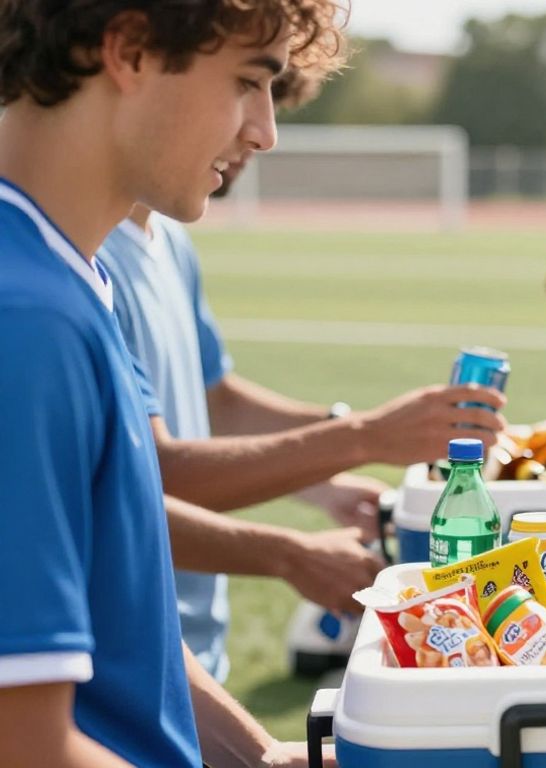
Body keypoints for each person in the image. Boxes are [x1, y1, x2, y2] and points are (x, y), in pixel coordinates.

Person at [0, 1, 352, 765]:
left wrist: (262, 756)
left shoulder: (73, 280)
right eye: (247, 82)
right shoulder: (27, 319)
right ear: (129, 51)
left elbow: (127, 626)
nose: (265, 129)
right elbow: (27, 747)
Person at [96, 61, 504, 681]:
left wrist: (329, 472)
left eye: (274, 97)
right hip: (120, 655)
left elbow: (216, 402)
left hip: (186, 656)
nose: (263, 133)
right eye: (244, 86)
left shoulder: (170, 239)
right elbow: (146, 479)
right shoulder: (81, 258)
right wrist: (361, 441)